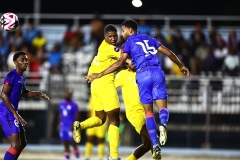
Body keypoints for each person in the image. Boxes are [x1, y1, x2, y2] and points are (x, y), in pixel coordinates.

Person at [86, 19, 191, 159]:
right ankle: (163, 125)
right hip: (155, 75)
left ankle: (155, 144)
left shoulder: (128, 44)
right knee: (161, 108)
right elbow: (168, 52)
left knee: (149, 118)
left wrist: (99, 74)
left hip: (144, 75)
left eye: (123, 31)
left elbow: (119, 63)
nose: (121, 34)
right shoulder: (149, 39)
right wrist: (181, 65)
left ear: (130, 30)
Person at [73, 24, 121, 160]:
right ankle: (113, 156)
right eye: (110, 36)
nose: (113, 38)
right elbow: (125, 58)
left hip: (95, 86)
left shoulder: (102, 47)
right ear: (105, 37)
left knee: (100, 119)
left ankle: (79, 125)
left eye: (114, 35)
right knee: (115, 120)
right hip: (105, 84)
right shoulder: (111, 48)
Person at [0, 51, 50, 160]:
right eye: (22, 60)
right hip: (6, 111)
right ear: (15, 63)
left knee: (22, 143)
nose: (25, 62)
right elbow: (3, 94)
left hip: (12, 111)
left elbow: (24, 92)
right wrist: (15, 113)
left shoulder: (21, 77)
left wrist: (39, 93)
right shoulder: (11, 75)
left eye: (26, 60)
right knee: (16, 145)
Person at [114, 59, 159, 160]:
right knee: (153, 138)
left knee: (147, 145)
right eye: (131, 60)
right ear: (126, 62)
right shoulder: (122, 75)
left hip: (146, 112)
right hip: (134, 113)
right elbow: (109, 87)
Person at [58, 89, 80, 160]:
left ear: (71, 95)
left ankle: (76, 150)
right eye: (66, 93)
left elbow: (77, 116)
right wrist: (58, 124)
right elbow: (60, 115)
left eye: (69, 94)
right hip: (63, 125)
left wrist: (74, 125)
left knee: (71, 140)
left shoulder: (74, 105)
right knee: (64, 141)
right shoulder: (61, 104)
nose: (67, 95)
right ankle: (67, 156)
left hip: (70, 125)